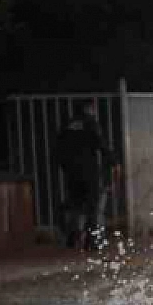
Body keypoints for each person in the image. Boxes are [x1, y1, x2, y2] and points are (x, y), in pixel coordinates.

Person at [53, 101, 110, 248]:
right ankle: (91, 241)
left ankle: (72, 238)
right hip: (89, 171)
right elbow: (101, 144)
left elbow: (58, 148)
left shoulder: (68, 124)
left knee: (75, 205)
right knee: (92, 206)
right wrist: (113, 161)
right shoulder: (90, 123)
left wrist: (64, 167)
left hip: (72, 172)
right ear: (89, 109)